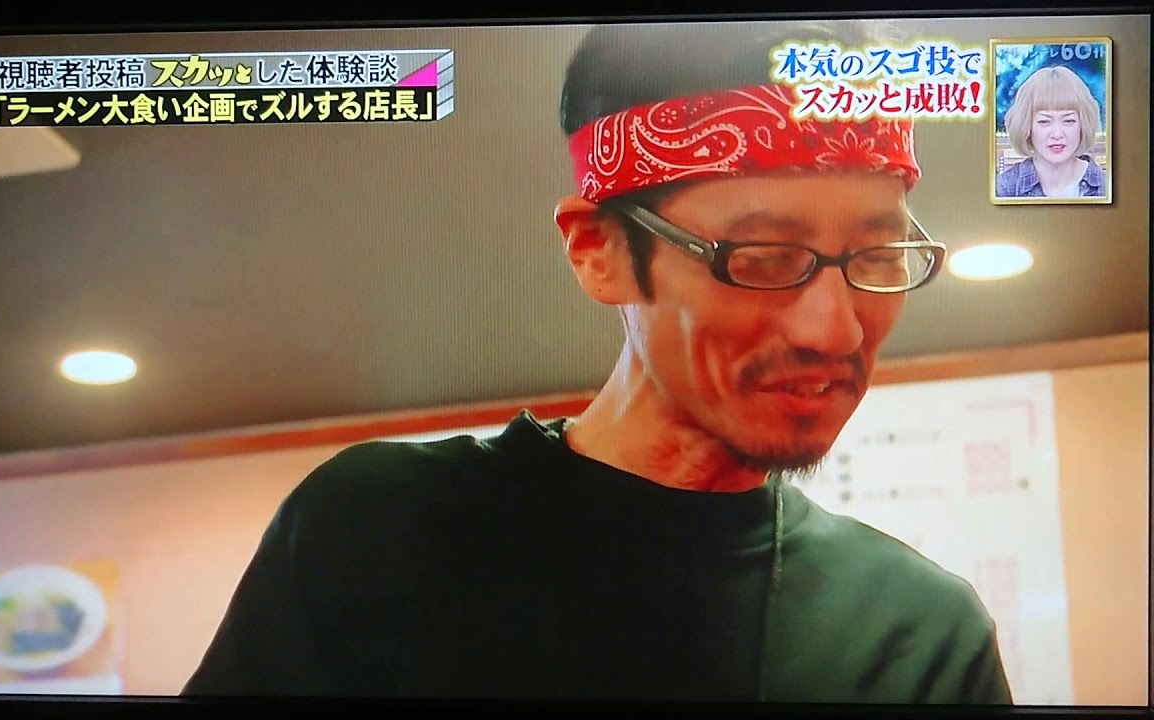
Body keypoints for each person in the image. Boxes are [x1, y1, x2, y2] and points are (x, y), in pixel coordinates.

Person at [183, 21, 1013, 704]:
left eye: (876, 257)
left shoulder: (920, 634)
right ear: (598, 251)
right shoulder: (379, 531)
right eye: (763, 257)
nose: (835, 331)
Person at [995, 65, 1105, 198]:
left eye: (1068, 121)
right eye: (1044, 122)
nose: (1057, 134)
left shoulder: (1110, 188)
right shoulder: (1003, 190)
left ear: (1083, 124)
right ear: (1026, 126)